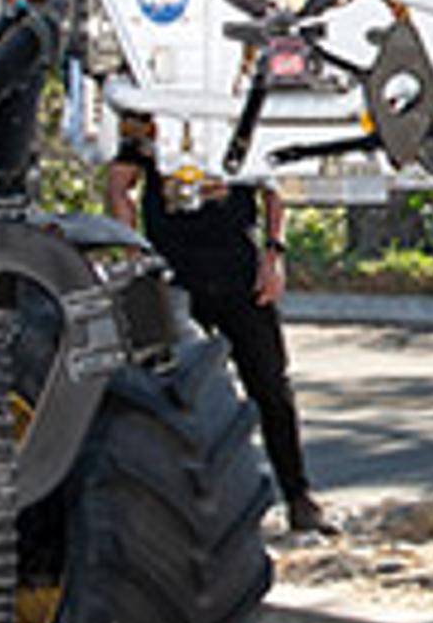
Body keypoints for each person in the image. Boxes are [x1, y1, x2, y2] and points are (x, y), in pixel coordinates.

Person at [108, 109, 323, 533]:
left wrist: (274, 254)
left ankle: (298, 497)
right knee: (159, 390)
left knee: (270, 386)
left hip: (239, 271)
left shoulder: (239, 107)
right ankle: (168, 508)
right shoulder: (149, 111)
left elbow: (274, 185)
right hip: (169, 272)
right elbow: (119, 186)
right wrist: (133, 259)